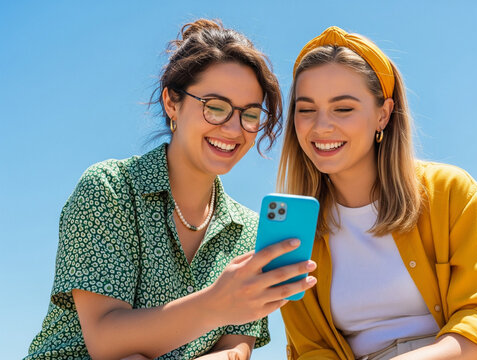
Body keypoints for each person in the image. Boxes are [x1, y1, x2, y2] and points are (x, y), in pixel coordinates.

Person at [27, 19, 317, 360]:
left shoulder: (249, 229)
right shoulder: (110, 189)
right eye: (216, 107)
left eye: (250, 114)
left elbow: (236, 348)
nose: (234, 128)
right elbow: (106, 341)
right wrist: (216, 304)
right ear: (172, 102)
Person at [278, 26, 477, 360]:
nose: (321, 126)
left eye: (343, 108)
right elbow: (310, 349)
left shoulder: (452, 192)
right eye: (306, 109)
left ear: (383, 114)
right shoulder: (295, 231)